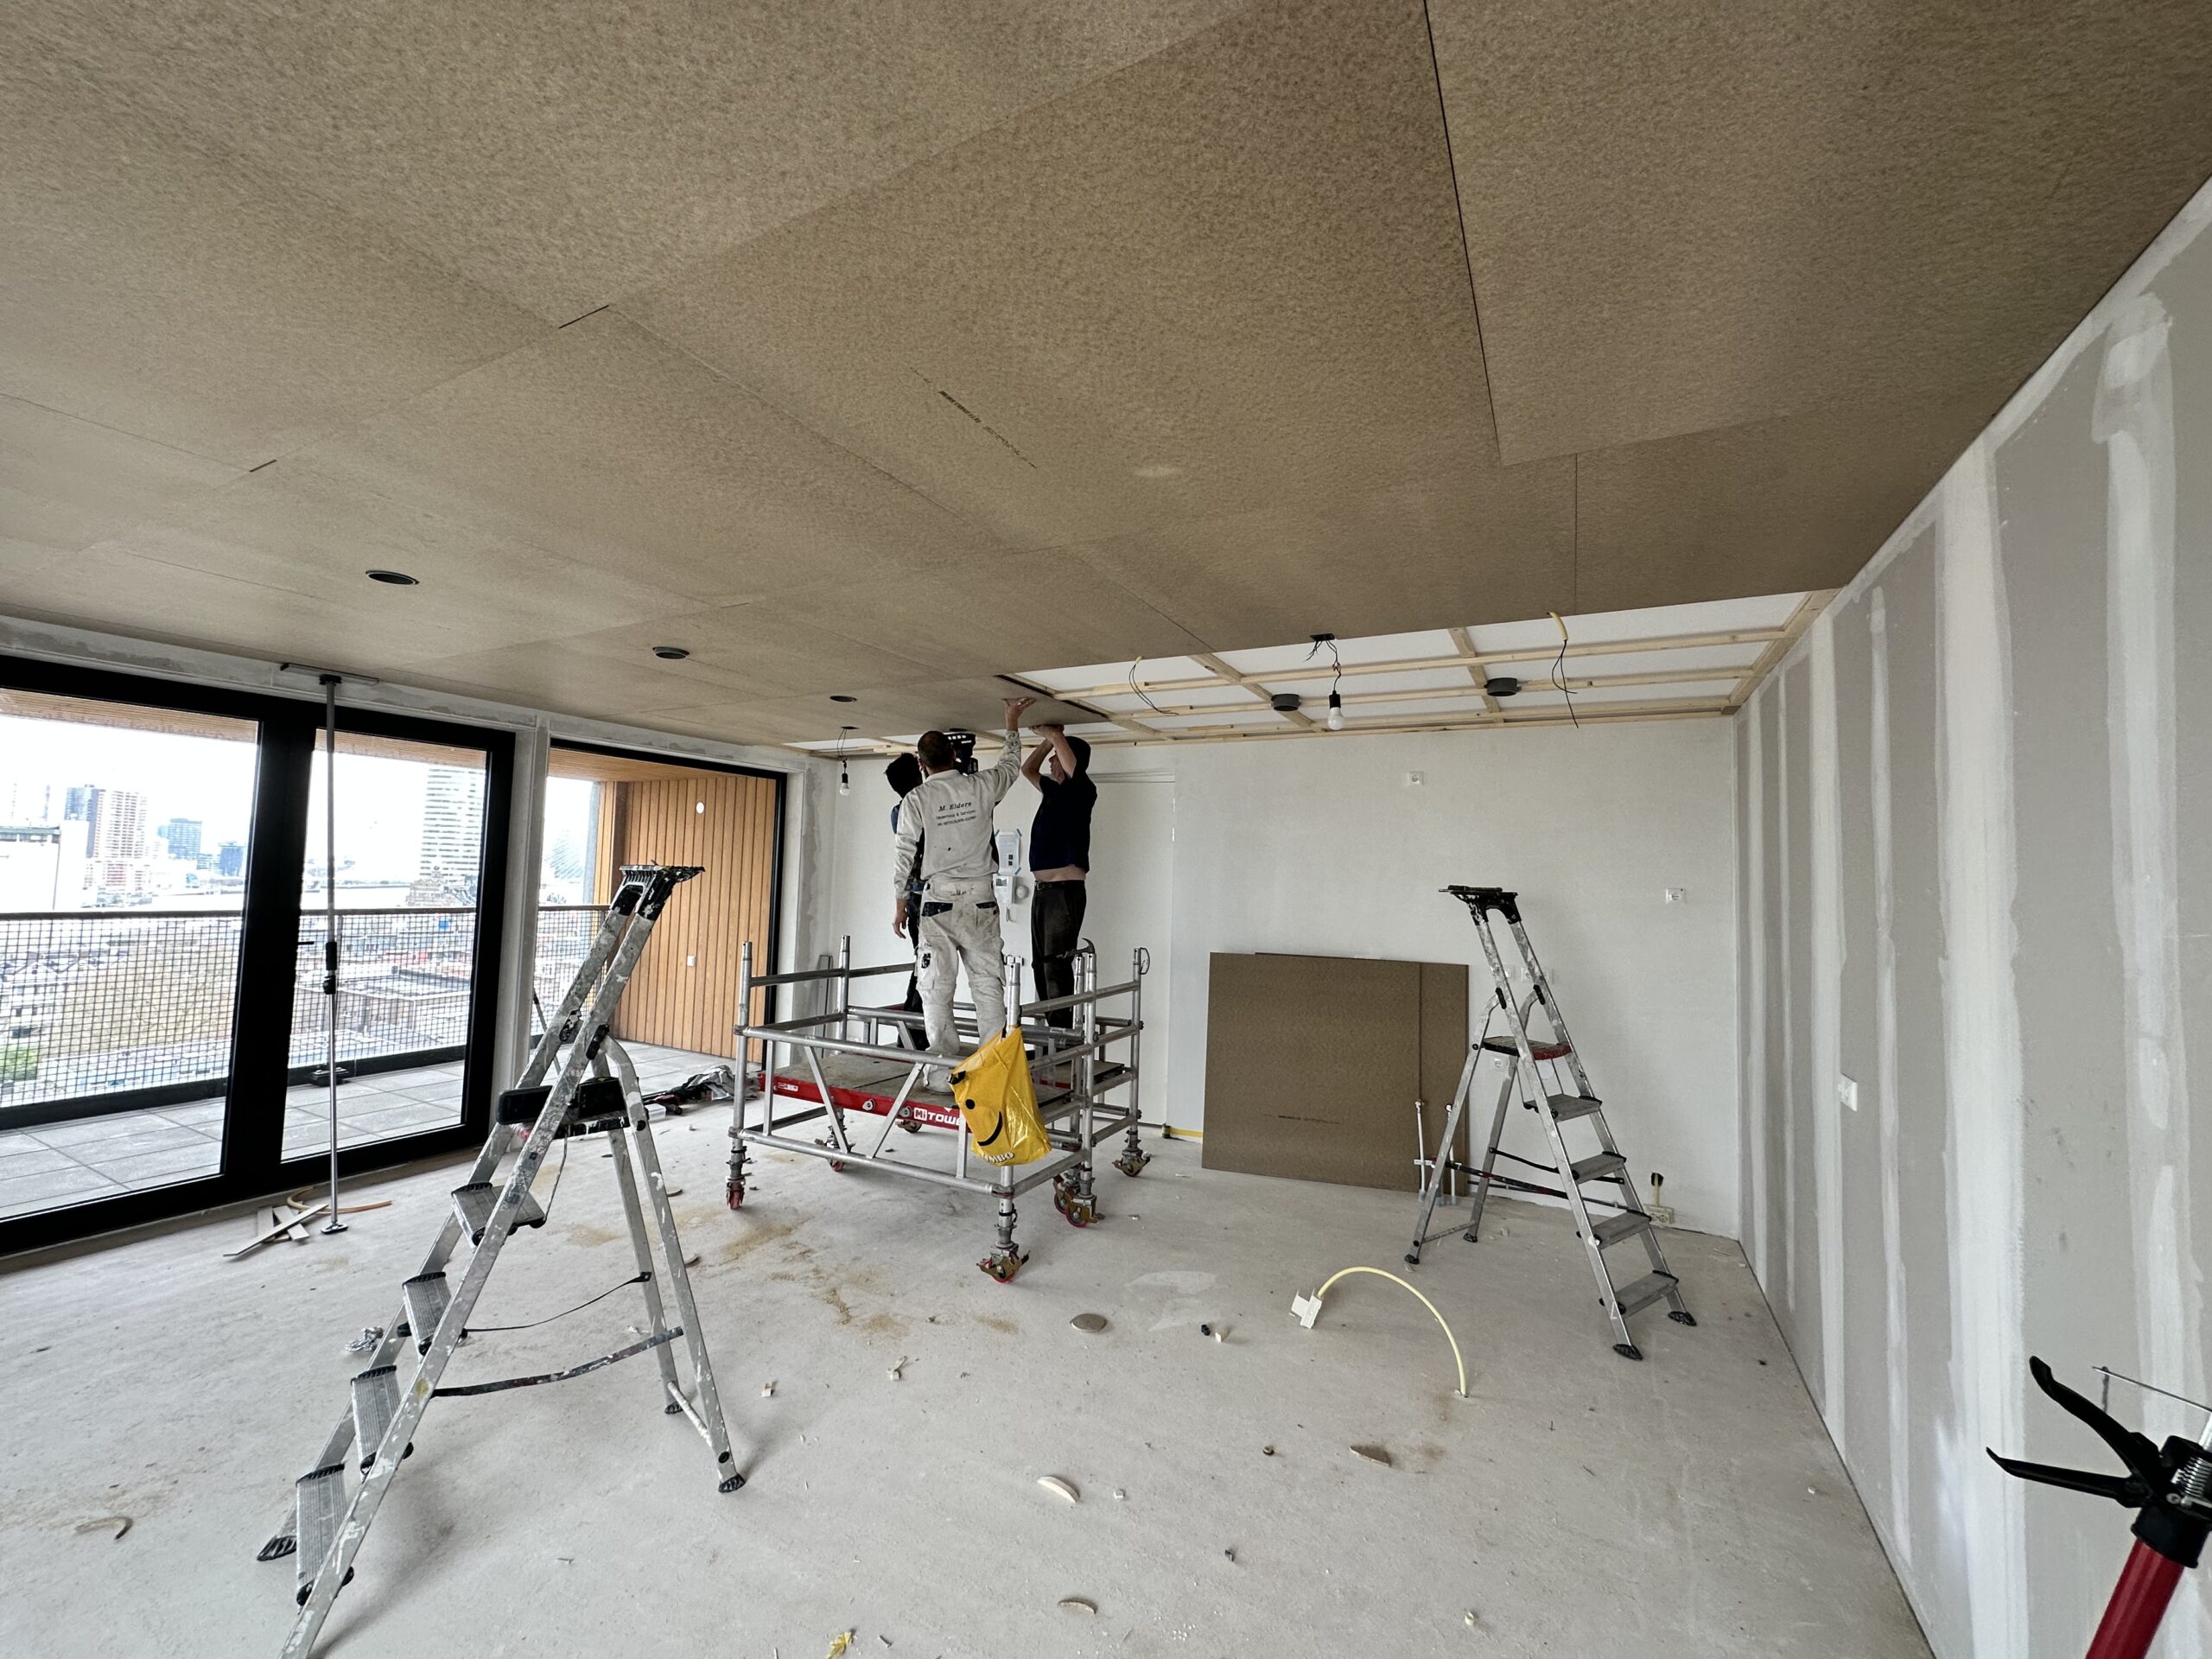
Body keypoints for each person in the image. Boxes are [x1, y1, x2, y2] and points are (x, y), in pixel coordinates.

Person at [892, 697, 1032, 1071]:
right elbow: (1010, 766)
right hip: (981, 899)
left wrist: (900, 904)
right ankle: (994, 1067)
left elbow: (904, 853)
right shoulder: (981, 786)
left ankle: (942, 1070)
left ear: (921, 764)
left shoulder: (917, 799)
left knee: (936, 988)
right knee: (987, 985)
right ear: (954, 755)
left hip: (938, 902)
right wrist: (1011, 720)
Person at [1020, 723, 1096, 1028]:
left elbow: (1071, 765)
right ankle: (1050, 1030)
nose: (1051, 762)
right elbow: (1028, 770)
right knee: (1041, 963)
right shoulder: (1053, 791)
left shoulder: (1083, 791)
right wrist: (1045, 743)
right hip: (1044, 892)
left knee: (1056, 965)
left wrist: (1055, 735)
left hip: (1064, 891)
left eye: (1056, 757)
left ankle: (1061, 1034)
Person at [885, 753, 926, 1046]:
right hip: (926, 896)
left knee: (923, 964)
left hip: (914, 896)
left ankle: (912, 1033)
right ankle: (913, 1033)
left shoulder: (897, 812)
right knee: (927, 967)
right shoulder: (920, 809)